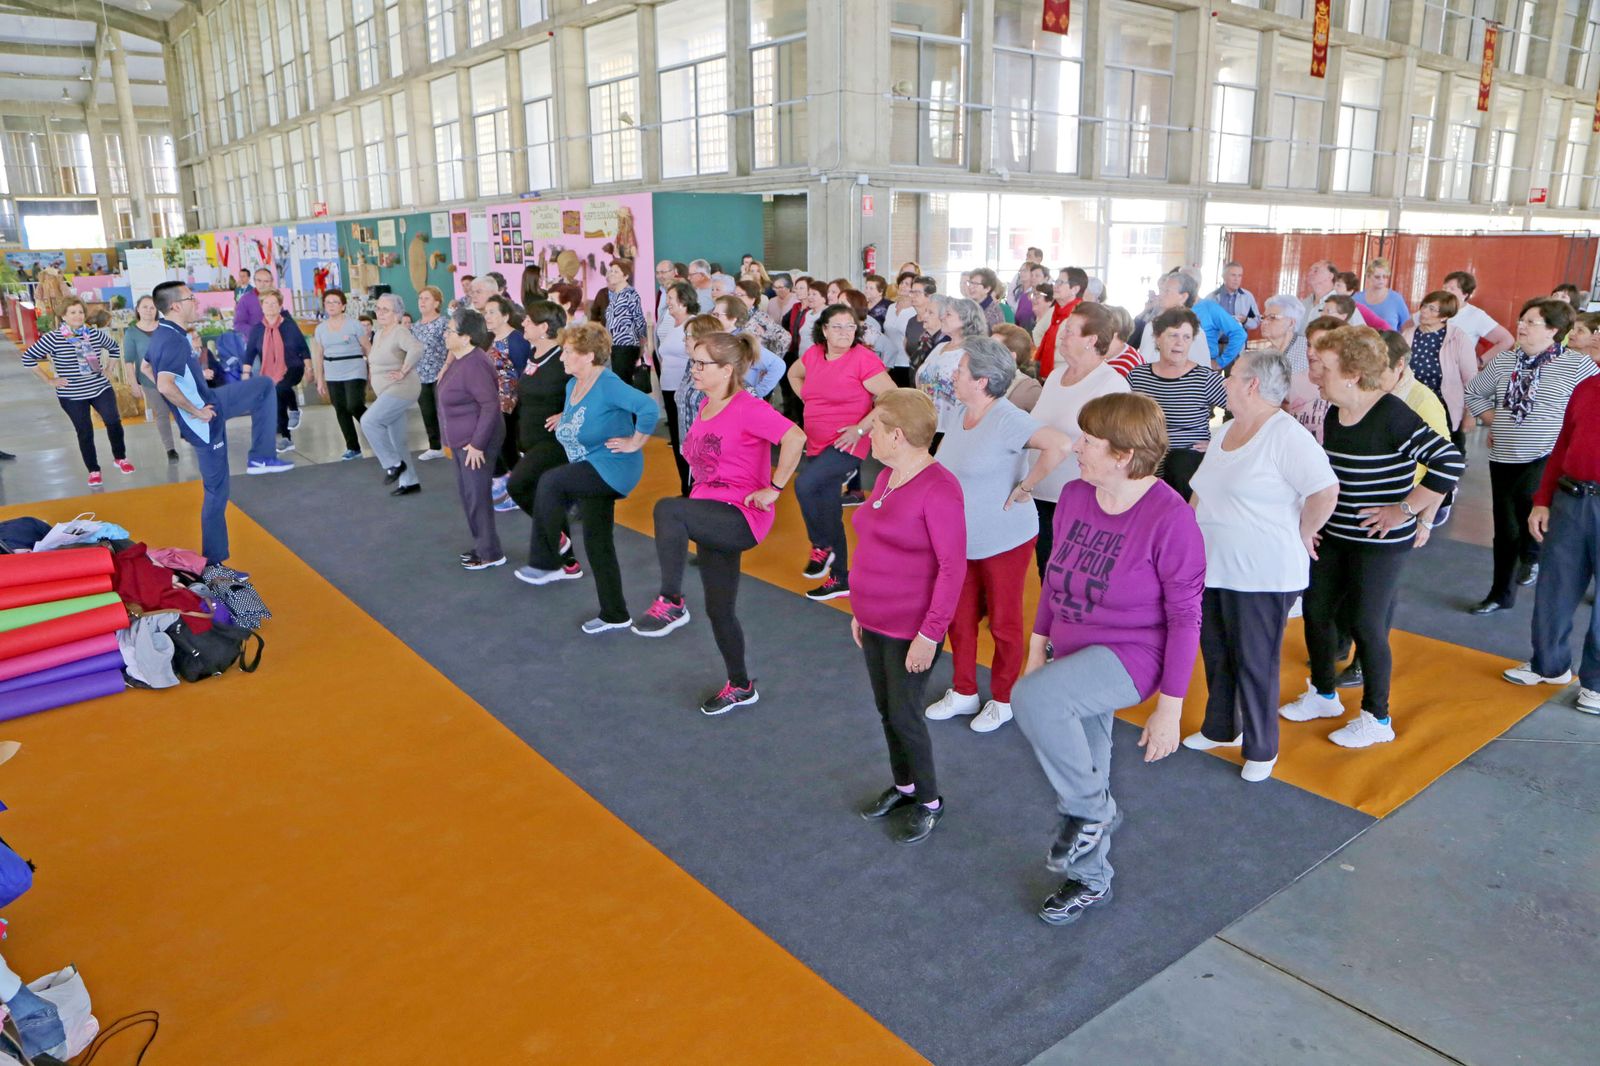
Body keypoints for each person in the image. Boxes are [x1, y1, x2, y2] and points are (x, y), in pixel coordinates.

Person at [1013, 392, 1202, 926]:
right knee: (1084, 765)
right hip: (1073, 646)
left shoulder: (1170, 518)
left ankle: (1097, 814)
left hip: (1133, 652)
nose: (1077, 448)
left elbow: (1187, 619)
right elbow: (1055, 577)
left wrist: (1170, 709)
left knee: (1037, 704)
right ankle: (1091, 878)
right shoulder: (1075, 495)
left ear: (1123, 455)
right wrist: (1037, 648)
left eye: (1089, 441)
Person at [1281, 326, 1463, 748]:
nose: (1315, 374)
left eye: (1323, 367)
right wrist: (1313, 522)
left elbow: (1448, 462)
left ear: (1351, 372)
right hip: (1335, 534)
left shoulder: (1391, 414)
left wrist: (1403, 509)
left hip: (1379, 542)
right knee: (1317, 611)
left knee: (1366, 623)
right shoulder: (1334, 412)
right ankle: (1323, 693)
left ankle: (1377, 718)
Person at [631, 333, 806, 714]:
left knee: (668, 509)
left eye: (700, 364)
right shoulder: (706, 405)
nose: (692, 369)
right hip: (710, 513)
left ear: (727, 370)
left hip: (741, 515)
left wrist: (774, 488)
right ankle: (740, 685)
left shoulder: (748, 407)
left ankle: (672, 601)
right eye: (692, 362)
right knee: (719, 609)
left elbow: (795, 436)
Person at [1187, 350, 1339, 782]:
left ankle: (1261, 747)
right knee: (1216, 653)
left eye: (1231, 375)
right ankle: (1221, 728)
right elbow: (1202, 491)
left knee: (1255, 661)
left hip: (1262, 572)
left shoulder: (1286, 435)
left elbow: (1325, 491)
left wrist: (1304, 533)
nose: (1225, 380)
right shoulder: (1226, 431)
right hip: (1213, 566)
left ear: (1252, 385)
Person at [924, 338, 1070, 734]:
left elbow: (1058, 444)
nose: (954, 374)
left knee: (1005, 623)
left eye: (961, 370)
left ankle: (1004, 698)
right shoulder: (958, 412)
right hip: (961, 540)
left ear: (983, 380)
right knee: (960, 617)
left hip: (1004, 540)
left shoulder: (1007, 418)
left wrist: (1027, 487)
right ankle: (964, 689)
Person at [851, 389, 966, 844]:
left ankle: (930, 800)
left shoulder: (939, 489)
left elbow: (953, 567)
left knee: (905, 715)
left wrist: (930, 634)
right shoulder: (889, 476)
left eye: (874, 426)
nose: (868, 432)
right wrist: (860, 610)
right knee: (887, 711)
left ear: (895, 435)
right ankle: (904, 786)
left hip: (910, 628)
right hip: (874, 620)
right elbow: (875, 541)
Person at [520, 322, 659, 635]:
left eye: (568, 352)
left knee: (551, 482)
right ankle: (615, 613)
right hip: (589, 465)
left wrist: (635, 442)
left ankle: (548, 557)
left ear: (588, 356)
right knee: (598, 542)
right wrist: (563, 419)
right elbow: (581, 417)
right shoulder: (573, 385)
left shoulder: (608, 383)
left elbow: (647, 408)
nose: (562, 358)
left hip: (613, 466)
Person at [1464, 298, 1598, 614]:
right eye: (1521, 320)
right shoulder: (1504, 363)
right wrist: (1492, 419)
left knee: (1532, 521)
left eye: (1530, 322)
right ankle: (1501, 593)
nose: (1520, 326)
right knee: (1505, 528)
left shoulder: (1577, 365)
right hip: (1503, 457)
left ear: (1554, 330)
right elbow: (1474, 391)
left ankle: (1536, 564)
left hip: (1545, 457)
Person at [147, 281, 293, 563]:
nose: (196, 302)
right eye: (191, 298)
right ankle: (213, 564)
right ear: (176, 305)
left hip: (211, 399)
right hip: (205, 422)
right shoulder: (172, 339)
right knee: (216, 493)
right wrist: (194, 410)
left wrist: (194, 392)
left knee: (263, 386)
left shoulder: (166, 333)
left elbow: (146, 367)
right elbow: (164, 385)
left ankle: (261, 457)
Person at [1504, 369, 1600, 712]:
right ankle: (1549, 665)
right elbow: (1562, 446)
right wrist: (1542, 499)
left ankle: (1597, 683)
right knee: (1554, 586)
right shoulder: (1587, 386)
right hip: (1571, 498)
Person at [787, 304, 896, 600]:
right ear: (823, 330)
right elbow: (794, 375)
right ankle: (840, 578)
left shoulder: (863, 359)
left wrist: (860, 429)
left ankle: (821, 543)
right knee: (827, 504)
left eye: (850, 327)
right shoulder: (813, 354)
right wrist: (809, 399)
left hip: (847, 444)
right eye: (837, 326)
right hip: (816, 442)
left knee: (805, 485)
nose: (845, 332)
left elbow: (891, 399)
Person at [1026, 303, 1133, 578]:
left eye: (1070, 331)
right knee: (1045, 568)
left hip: (1080, 495)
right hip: (1040, 489)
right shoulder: (1055, 377)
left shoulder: (1111, 385)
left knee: (1070, 572)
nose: (1062, 336)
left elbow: (1114, 448)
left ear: (1092, 340)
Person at [21, 298, 132, 486]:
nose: (77, 316)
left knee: (113, 421)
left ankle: (120, 458)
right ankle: (93, 470)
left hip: (99, 387)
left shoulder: (94, 334)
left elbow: (113, 348)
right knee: (85, 431)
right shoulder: (53, 338)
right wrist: (50, 380)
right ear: (63, 316)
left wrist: (109, 369)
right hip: (72, 394)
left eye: (80, 312)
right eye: (72, 312)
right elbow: (28, 357)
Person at [506, 301, 581, 577]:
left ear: (544, 328)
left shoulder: (565, 358)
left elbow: (593, 388)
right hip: (530, 439)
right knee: (547, 498)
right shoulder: (533, 355)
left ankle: (555, 540)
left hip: (554, 443)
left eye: (528, 320)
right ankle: (568, 561)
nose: (523, 323)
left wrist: (567, 412)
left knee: (517, 486)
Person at [1128, 308, 1228, 501]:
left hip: (1186, 461)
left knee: (1178, 464)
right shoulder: (1138, 376)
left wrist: (1219, 444)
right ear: (1157, 338)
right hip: (1147, 456)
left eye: (1186, 337)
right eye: (1173, 335)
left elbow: (1244, 412)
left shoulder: (1204, 378)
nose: (1179, 343)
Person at [436, 307, 506, 570]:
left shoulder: (475, 363)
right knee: (468, 495)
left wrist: (477, 445)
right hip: (462, 440)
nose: (446, 334)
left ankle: (490, 552)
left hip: (476, 442)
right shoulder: (458, 357)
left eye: (450, 330)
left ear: (466, 337)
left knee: (476, 496)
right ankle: (482, 545)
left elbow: (490, 406)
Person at [358, 294, 424, 497]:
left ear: (397, 314)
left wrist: (404, 370)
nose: (380, 312)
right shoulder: (378, 334)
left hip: (402, 388)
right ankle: (410, 481)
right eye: (378, 308)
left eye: (385, 309)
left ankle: (393, 464)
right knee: (397, 440)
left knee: (368, 421)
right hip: (386, 391)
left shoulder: (399, 331)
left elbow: (417, 348)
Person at [1400, 290, 1478, 450]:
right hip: (1411, 403)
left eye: (1431, 309)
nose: (1424, 311)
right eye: (1424, 306)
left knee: (1445, 450)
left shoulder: (1458, 338)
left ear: (1444, 317)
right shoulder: (1407, 334)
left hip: (1445, 405)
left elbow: (1471, 378)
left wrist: (1470, 413)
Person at [242, 288, 311, 454]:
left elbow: (303, 346)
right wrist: (246, 373)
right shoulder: (257, 329)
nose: (271, 307)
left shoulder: (288, 325)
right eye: (267, 303)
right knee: (276, 396)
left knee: (280, 388)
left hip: (293, 367)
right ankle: (286, 438)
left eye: (274, 303)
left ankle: (294, 409)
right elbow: (250, 352)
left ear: (280, 306)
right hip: (270, 371)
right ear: (262, 306)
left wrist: (309, 367)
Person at [916, 296, 987, 439]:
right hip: (928, 424)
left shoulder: (971, 353)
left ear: (966, 320)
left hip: (951, 429)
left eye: (948, 314)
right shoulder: (941, 347)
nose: (942, 317)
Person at [484, 294, 531, 509]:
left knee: (508, 445)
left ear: (505, 315)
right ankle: (508, 485)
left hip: (510, 404)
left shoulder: (516, 340)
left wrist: (520, 403)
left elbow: (523, 372)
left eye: (492, 312)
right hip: (492, 401)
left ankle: (517, 488)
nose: (488, 316)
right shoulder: (489, 338)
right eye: (486, 312)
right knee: (499, 445)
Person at [312, 289, 370, 460]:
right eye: (328, 302)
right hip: (332, 373)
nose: (331, 305)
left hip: (355, 369)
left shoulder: (354, 325)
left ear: (343, 306)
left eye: (335, 302)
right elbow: (318, 355)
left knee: (354, 405)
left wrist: (374, 370)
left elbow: (367, 347)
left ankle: (375, 425)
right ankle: (353, 448)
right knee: (341, 409)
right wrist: (320, 379)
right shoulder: (320, 329)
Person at [121, 295, 179, 461]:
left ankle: (189, 435)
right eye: (145, 307)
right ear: (138, 309)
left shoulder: (165, 328)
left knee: (182, 408)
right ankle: (170, 449)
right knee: (162, 412)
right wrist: (134, 384)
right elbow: (129, 361)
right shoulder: (131, 333)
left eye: (152, 307)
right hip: (149, 381)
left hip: (172, 378)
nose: (148, 310)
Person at [655, 281, 699, 495]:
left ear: (683, 302)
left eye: (671, 299)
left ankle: (693, 487)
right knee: (677, 439)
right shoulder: (669, 323)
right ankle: (686, 487)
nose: (668, 303)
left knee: (688, 441)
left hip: (685, 393)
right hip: (669, 389)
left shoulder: (693, 325)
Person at [712, 295, 787, 398]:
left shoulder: (741, 342)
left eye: (717, 315)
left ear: (733, 318)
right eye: (712, 313)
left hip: (740, 403)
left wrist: (757, 393)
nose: (712, 318)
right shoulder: (719, 338)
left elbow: (778, 365)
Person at [1437, 271, 1514, 364]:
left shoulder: (1475, 315)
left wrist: (1480, 361)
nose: (1446, 291)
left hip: (1456, 371)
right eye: (1444, 287)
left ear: (1465, 294)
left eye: (1452, 289)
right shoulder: (1434, 307)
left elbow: (1507, 340)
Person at [413, 285, 450, 461]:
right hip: (420, 375)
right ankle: (435, 446)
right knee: (427, 411)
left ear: (436, 303)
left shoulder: (443, 323)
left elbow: (451, 346)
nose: (422, 302)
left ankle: (452, 444)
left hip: (441, 373)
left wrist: (447, 366)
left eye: (426, 298)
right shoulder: (415, 326)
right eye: (420, 298)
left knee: (445, 411)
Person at [603, 259, 648, 392]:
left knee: (623, 383)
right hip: (614, 345)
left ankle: (630, 412)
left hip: (626, 344)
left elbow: (639, 317)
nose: (611, 273)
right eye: (611, 271)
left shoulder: (630, 294)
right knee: (617, 382)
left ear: (626, 276)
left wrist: (643, 338)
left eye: (616, 271)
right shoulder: (614, 295)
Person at [1033, 267, 1087, 379]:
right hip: (1048, 371)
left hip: (1070, 372)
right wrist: (1046, 350)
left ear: (1075, 289)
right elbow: (1037, 332)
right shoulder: (1055, 310)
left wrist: (1058, 356)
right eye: (1055, 281)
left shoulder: (1082, 313)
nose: (1055, 286)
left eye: (1060, 282)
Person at [990, 323, 1043, 412]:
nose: (984, 350)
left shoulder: (1029, 389)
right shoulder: (977, 378)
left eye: (993, 348)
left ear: (1010, 356)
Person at [880, 273, 919, 387]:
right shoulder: (891, 307)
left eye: (907, 284)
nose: (903, 286)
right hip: (888, 361)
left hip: (906, 362)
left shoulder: (915, 310)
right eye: (901, 283)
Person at [1350, 258, 1408, 329]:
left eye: (1385, 277)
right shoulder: (1356, 299)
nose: (1381, 280)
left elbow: (1407, 326)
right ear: (1368, 277)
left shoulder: (1396, 299)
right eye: (1377, 277)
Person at [1207, 261, 1260, 330]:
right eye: (1233, 275)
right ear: (1224, 276)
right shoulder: (1211, 297)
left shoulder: (1247, 297)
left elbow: (1256, 321)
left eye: (1239, 276)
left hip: (1239, 340)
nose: (1236, 279)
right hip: (1216, 340)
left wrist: (1245, 321)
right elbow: (1204, 322)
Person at [233, 267, 270, 340]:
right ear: (254, 281)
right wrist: (256, 331)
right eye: (259, 281)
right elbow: (238, 324)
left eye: (266, 281)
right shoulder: (245, 299)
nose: (262, 284)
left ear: (271, 282)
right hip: (254, 342)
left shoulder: (275, 297)